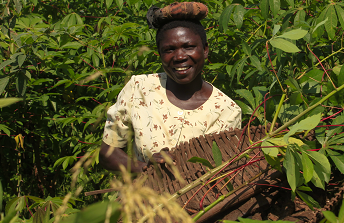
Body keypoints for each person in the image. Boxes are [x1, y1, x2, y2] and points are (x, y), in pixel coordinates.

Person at [99, 2, 242, 173]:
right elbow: (108, 152)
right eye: (169, 50)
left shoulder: (227, 111)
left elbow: (223, 170)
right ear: (159, 54)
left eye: (188, 47)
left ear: (205, 50)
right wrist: (144, 168)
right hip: (142, 197)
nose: (180, 56)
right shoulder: (139, 89)